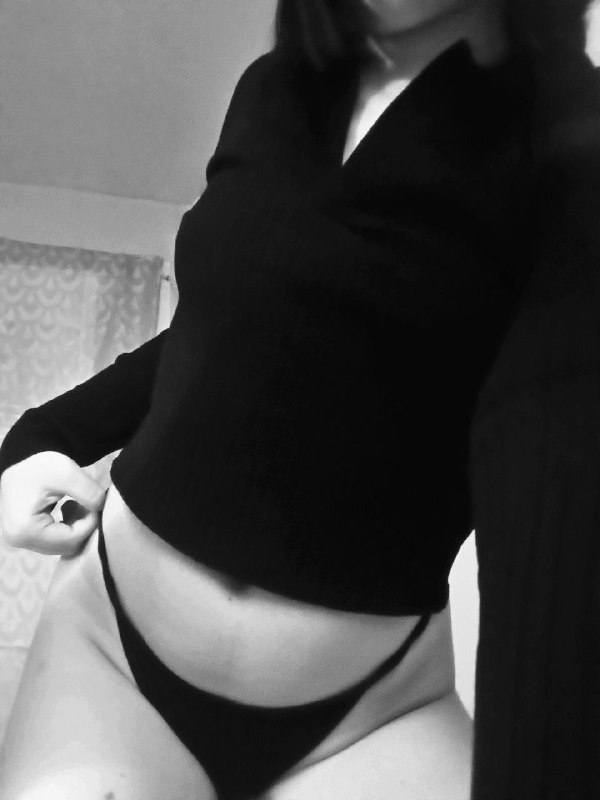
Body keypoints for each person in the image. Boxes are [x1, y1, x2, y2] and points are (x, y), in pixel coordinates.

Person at [0, 0, 597, 798]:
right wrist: (36, 440)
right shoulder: (272, 87)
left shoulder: (570, 140)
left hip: (374, 715)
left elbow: (553, 492)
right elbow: (224, 333)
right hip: (111, 649)